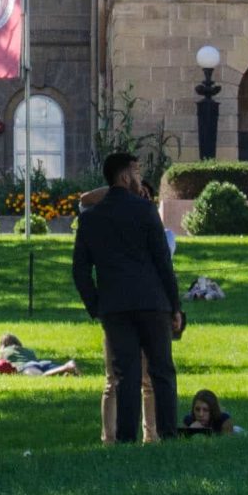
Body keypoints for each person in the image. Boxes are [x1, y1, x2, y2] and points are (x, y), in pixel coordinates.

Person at [71, 151, 181, 445]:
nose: (139, 177)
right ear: (123, 176)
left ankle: (125, 438)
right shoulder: (144, 211)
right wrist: (175, 305)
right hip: (152, 302)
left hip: (114, 306)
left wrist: (96, 305)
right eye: (135, 171)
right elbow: (163, 262)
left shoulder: (91, 220)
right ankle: (168, 434)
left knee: (125, 377)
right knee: (161, 372)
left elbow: (80, 271)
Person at [0, 333, 79, 377]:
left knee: (40, 377)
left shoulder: (4, 351)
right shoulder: (28, 350)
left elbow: (0, 363)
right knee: (52, 373)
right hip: (41, 363)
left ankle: (66, 367)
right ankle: (66, 370)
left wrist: (1, 350)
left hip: (26, 367)